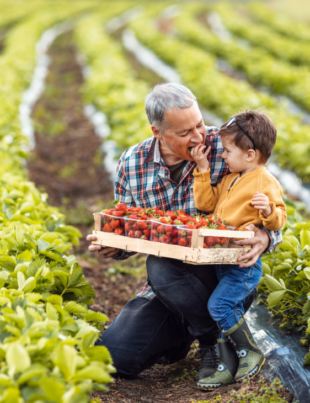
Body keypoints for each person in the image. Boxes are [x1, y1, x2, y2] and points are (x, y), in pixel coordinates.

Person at [86, 83, 282, 389]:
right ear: (158, 132)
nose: (199, 136)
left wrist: (267, 238)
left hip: (220, 277)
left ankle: (211, 345)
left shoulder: (228, 147)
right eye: (184, 132)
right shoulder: (132, 164)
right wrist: (114, 244)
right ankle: (185, 335)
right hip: (168, 289)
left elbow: (272, 209)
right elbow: (131, 226)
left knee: (161, 264)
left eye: (200, 124)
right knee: (113, 358)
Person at [190, 110, 286, 389]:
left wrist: (268, 211)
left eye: (227, 151)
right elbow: (207, 204)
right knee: (225, 310)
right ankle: (228, 362)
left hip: (243, 264)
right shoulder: (232, 179)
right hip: (223, 260)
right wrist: (203, 169)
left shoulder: (264, 181)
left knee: (218, 306)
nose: (223, 155)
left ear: (250, 154)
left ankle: (251, 352)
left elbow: (280, 216)